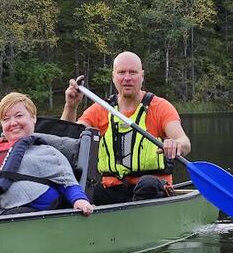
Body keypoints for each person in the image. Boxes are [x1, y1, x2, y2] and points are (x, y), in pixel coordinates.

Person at [62, 51, 191, 205]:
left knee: (147, 185)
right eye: (122, 72)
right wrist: (70, 106)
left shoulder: (159, 107)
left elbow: (184, 142)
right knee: (76, 192)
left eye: (133, 72)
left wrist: (176, 144)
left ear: (142, 76)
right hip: (112, 190)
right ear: (114, 76)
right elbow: (67, 140)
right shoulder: (101, 108)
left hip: (151, 190)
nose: (127, 78)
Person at [0, 92, 93, 217]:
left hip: (33, 208)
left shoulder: (48, 153)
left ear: (33, 118)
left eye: (19, 115)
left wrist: (79, 200)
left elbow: (67, 183)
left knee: (10, 218)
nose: (13, 122)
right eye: (6, 119)